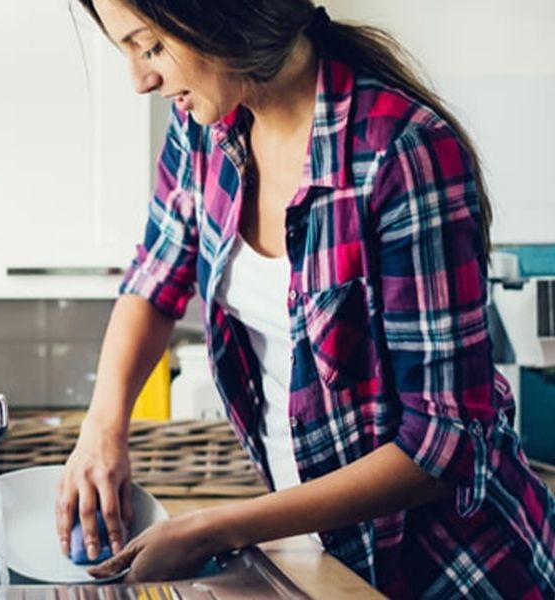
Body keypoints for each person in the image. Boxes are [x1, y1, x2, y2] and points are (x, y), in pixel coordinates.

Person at [56, 0, 555, 597]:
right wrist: (102, 432)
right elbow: (155, 279)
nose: (141, 80)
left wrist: (221, 528)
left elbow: (443, 442)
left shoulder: (403, 152)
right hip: (326, 556)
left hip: (456, 572)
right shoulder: (204, 131)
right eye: (128, 51)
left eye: (152, 47)